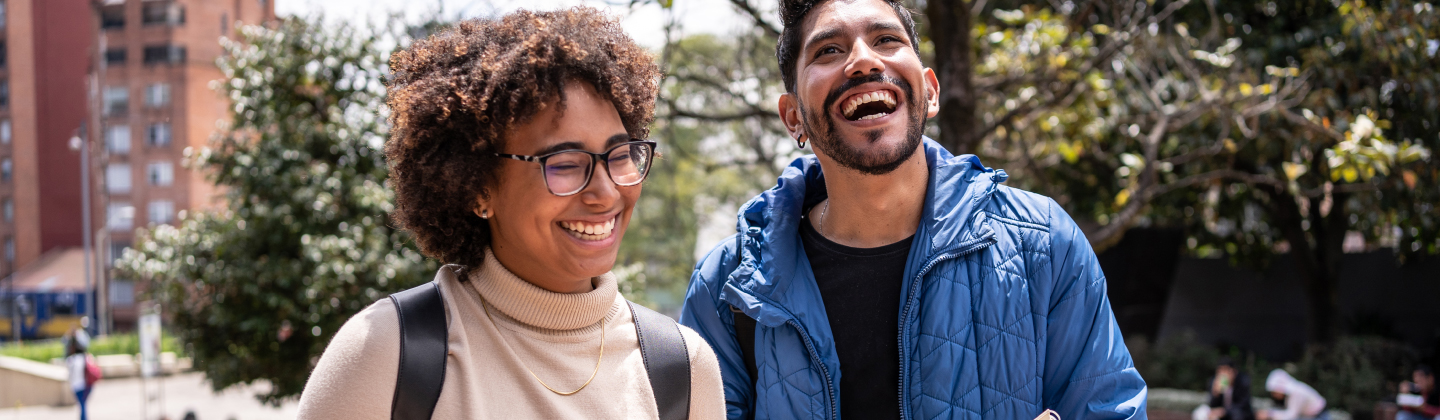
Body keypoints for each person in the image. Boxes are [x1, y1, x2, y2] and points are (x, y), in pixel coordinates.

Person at [677, 0, 1146, 418]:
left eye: (885, 39)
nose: (863, 60)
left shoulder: (1042, 243)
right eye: (828, 51)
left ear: (931, 92)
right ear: (793, 116)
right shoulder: (730, 287)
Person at [296, 8, 724, 419]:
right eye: (565, 163)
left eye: (619, 155)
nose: (606, 191)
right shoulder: (386, 356)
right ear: (479, 187)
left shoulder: (682, 369)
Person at [1257, 369, 1327, 420]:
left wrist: (1269, 414)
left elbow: (1291, 416)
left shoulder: (1296, 392)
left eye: (1274, 392)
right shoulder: (1289, 394)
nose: (1274, 395)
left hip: (1319, 416)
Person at [65, 327, 92, 420]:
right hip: (86, 384)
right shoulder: (85, 357)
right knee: (83, 404)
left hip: (77, 385)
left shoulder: (71, 360)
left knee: (82, 405)